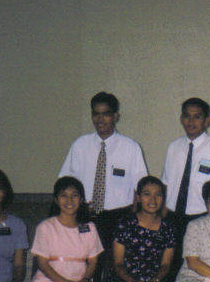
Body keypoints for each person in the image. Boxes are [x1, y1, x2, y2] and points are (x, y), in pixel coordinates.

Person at [57, 91, 149, 247]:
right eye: (96, 114)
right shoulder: (80, 145)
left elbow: (140, 188)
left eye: (106, 114)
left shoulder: (131, 147)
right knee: (86, 265)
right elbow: (65, 181)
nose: (100, 120)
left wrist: (133, 220)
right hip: (86, 213)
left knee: (116, 266)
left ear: (115, 116)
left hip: (119, 217)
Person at [161, 97, 210, 263]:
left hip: (202, 217)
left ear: (207, 121)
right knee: (171, 265)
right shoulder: (174, 147)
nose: (191, 121)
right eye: (187, 116)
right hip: (173, 218)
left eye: (197, 117)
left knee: (198, 265)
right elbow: (166, 184)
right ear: (181, 119)